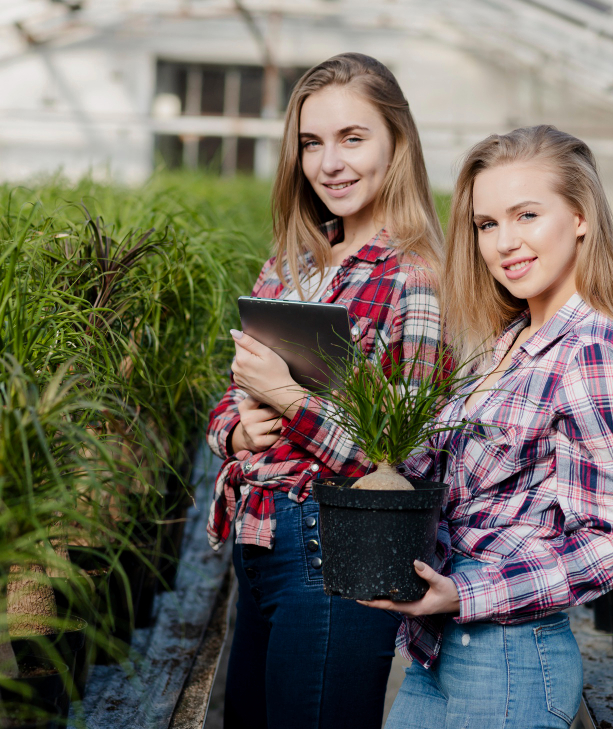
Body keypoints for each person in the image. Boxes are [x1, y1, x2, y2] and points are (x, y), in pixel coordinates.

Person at [359, 125, 613, 729]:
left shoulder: (590, 351)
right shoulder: (506, 342)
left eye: (526, 215)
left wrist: (466, 594)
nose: (504, 243)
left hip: (510, 658)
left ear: (580, 217)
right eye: (487, 224)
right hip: (439, 647)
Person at [205, 53, 444, 729]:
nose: (329, 162)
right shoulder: (292, 262)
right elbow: (231, 393)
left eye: (352, 138)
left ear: (397, 142)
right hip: (257, 544)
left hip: (335, 545)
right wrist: (237, 429)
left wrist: (288, 400)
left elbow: (403, 457)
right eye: (312, 143)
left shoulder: (414, 277)